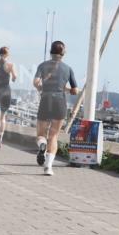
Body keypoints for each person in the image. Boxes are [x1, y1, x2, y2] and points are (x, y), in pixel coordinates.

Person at [33, 40, 78, 176]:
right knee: (53, 136)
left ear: (51, 52)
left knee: (41, 134)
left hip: (46, 100)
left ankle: (42, 144)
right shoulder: (68, 69)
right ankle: (48, 167)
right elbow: (75, 91)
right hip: (60, 102)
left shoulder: (42, 65)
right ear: (63, 53)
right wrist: (67, 89)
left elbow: (35, 82)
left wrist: (42, 87)